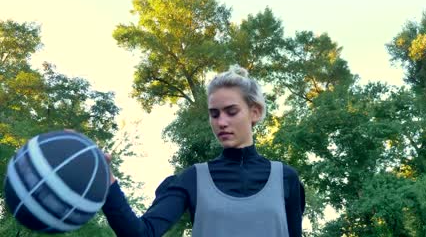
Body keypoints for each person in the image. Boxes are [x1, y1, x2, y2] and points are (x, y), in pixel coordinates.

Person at [102, 65, 305, 237]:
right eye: (214, 114)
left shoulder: (286, 179)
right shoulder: (192, 179)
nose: (221, 122)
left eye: (231, 112)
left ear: (255, 112)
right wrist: (106, 182)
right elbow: (140, 233)